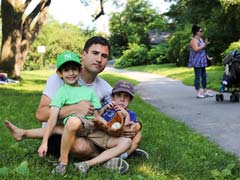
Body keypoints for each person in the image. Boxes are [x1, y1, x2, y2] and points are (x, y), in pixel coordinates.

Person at [5, 36, 145, 173]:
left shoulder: (105, 87)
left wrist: (136, 125)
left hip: (88, 130)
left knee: (137, 135)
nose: (99, 59)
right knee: (81, 146)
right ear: (83, 55)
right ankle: (111, 158)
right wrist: (74, 108)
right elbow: (41, 114)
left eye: (104, 56)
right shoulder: (60, 78)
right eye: (95, 53)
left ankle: (117, 153)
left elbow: (119, 110)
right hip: (61, 134)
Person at [99, 80, 149, 160]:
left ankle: (124, 155)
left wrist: (126, 115)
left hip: (121, 139)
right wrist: (105, 108)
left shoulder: (130, 113)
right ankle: (125, 153)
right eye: (118, 95)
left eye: (126, 96)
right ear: (112, 97)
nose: (122, 99)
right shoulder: (107, 107)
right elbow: (97, 116)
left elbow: (127, 131)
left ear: (130, 100)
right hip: (105, 137)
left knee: (138, 136)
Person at [188, 25, 214, 98]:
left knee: (204, 76)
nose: (202, 32)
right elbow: (196, 49)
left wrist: (205, 46)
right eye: (200, 31)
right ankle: (198, 93)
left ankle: (205, 91)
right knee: (198, 77)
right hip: (197, 61)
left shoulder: (200, 39)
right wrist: (204, 45)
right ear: (196, 32)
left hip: (202, 61)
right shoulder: (194, 40)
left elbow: (202, 48)